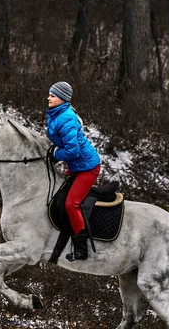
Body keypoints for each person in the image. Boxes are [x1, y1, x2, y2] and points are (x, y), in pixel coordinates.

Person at [46, 81, 101, 262]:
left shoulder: (66, 118)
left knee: (71, 204)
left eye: (53, 95)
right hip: (75, 166)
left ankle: (81, 248)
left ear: (62, 99)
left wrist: (55, 154)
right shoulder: (56, 113)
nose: (49, 98)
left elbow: (72, 151)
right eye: (50, 94)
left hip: (88, 168)